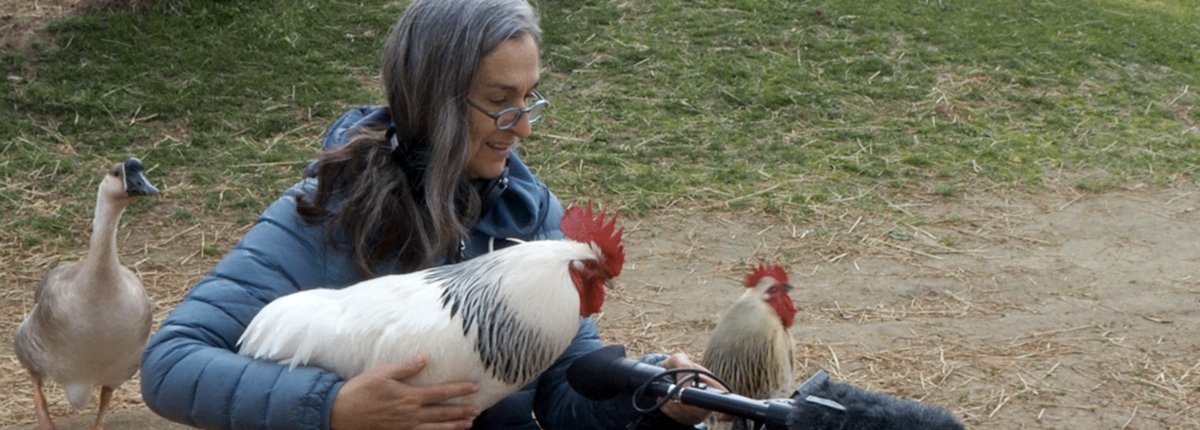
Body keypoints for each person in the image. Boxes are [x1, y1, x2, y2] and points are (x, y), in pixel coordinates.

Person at [139, 0, 716, 429]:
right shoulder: (326, 210)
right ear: (435, 98)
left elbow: (567, 398)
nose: (524, 125)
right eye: (498, 102)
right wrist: (331, 407)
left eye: (528, 97)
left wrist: (658, 401)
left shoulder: (532, 218)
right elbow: (171, 365)